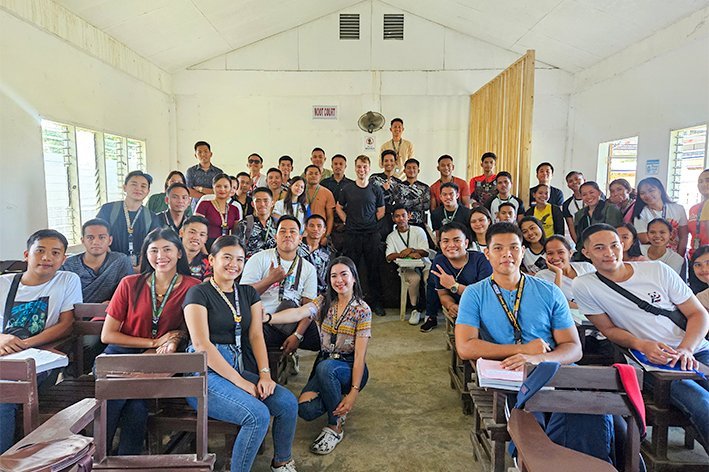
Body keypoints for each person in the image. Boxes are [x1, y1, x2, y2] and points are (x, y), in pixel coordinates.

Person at [573, 224, 709, 453]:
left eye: (614, 245)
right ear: (586, 253)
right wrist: (641, 344)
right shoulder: (585, 286)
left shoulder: (658, 270)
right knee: (702, 403)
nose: (609, 252)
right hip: (650, 362)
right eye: (599, 248)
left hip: (696, 349)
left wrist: (686, 348)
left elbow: (699, 314)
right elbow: (608, 329)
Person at [183, 236, 300, 472]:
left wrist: (265, 375)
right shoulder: (198, 294)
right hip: (203, 374)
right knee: (257, 416)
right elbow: (202, 344)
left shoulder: (247, 294)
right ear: (212, 260)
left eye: (239, 259)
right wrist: (241, 382)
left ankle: (282, 462)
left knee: (287, 402)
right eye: (226, 257)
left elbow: (256, 335)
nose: (233, 264)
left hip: (236, 366)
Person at [99, 228, 199, 455]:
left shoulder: (193, 286)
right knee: (131, 403)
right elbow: (108, 335)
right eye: (153, 250)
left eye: (167, 249)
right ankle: (112, 459)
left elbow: (190, 331)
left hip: (161, 361)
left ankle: (97, 458)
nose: (160, 256)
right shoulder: (129, 283)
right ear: (146, 254)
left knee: (124, 399)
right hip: (119, 356)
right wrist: (154, 342)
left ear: (179, 253)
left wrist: (175, 338)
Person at [275, 257, 371, 455]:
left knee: (326, 368)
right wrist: (268, 317)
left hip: (348, 365)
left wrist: (353, 393)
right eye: (333, 276)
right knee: (305, 410)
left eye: (344, 274)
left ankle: (334, 426)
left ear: (354, 278)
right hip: (325, 362)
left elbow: (360, 355)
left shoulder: (362, 310)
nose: (339, 280)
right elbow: (299, 312)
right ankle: (336, 401)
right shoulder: (323, 301)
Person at [455, 222, 582, 369]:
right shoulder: (474, 294)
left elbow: (573, 348)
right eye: (498, 248)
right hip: (504, 370)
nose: (507, 253)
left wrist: (539, 359)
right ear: (487, 254)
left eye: (514, 247)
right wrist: (523, 350)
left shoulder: (550, 291)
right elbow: (465, 348)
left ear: (522, 251)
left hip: (551, 367)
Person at [0, 230, 82, 454]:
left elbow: (66, 324)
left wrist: (27, 344)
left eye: (55, 253)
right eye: (40, 251)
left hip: (39, 359)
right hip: (4, 354)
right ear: (27, 254)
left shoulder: (67, 280)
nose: (47, 258)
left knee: (4, 397)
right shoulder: (4, 284)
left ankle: (6, 461)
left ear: (63, 259)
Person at [241, 216, 320, 354]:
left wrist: (297, 335)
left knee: (319, 337)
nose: (288, 235)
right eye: (282, 231)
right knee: (249, 334)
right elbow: (243, 295)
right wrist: (269, 280)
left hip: (293, 322)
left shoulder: (308, 268)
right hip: (263, 321)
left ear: (300, 238)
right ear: (275, 236)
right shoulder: (259, 258)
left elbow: (309, 308)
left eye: (293, 231)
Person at [336, 155, 386, 316]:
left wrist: (368, 222)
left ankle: (377, 303)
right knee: (350, 270)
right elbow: (338, 207)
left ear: (369, 168)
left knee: (374, 269)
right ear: (355, 168)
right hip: (352, 234)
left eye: (364, 166)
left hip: (371, 234)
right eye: (359, 166)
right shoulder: (348, 189)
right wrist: (348, 221)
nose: (361, 169)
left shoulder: (375, 189)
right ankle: (350, 302)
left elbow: (381, 211)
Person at [421, 223, 493, 333]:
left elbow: (484, 297)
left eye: (457, 240)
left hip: (484, 311)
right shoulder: (439, 262)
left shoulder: (481, 260)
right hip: (460, 312)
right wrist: (451, 305)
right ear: (440, 244)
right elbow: (443, 294)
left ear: (466, 243)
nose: (451, 245)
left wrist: (454, 286)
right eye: (445, 241)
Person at [96, 170, 160, 268]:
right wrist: (114, 262)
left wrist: (141, 266)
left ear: (148, 191)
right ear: (124, 187)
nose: (138, 189)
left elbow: (153, 243)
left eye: (143, 186)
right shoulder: (108, 210)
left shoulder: (152, 217)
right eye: (134, 184)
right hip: (108, 265)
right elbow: (98, 235)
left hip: (140, 268)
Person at [61, 219, 133, 303]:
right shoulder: (69, 264)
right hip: (74, 313)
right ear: (83, 241)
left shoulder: (120, 261)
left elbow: (129, 292)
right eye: (90, 238)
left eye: (102, 237)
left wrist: (113, 304)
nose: (96, 242)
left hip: (112, 312)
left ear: (110, 240)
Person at [385, 205, 430, 325]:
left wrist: (413, 250)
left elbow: (426, 252)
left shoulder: (418, 231)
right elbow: (389, 256)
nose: (401, 219)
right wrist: (400, 254)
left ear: (409, 216)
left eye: (403, 215)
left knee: (428, 279)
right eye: (397, 216)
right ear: (393, 219)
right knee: (414, 278)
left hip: (424, 264)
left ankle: (430, 311)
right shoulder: (392, 236)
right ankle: (415, 309)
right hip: (406, 267)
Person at [633, 177, 688, 256]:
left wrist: (679, 256)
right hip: (652, 256)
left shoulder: (678, 209)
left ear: (660, 190)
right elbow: (644, 239)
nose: (647, 195)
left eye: (651, 190)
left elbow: (684, 236)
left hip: (675, 254)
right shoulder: (640, 213)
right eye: (642, 193)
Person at [537, 236, 595, 308]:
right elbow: (554, 303)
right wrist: (558, 273)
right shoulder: (541, 277)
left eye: (560, 252)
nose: (555, 257)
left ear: (570, 253)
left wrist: (570, 304)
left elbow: (600, 296)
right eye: (550, 253)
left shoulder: (586, 268)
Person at [573, 181, 623, 253]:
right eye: (584, 194)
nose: (588, 196)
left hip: (607, 250)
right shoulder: (579, 214)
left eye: (591, 192)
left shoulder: (611, 209)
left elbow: (614, 233)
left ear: (599, 192)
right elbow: (579, 237)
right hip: (586, 252)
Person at [195, 173, 241, 250]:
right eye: (218, 186)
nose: (222, 189)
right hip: (206, 246)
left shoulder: (235, 209)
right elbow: (197, 231)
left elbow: (235, 235)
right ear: (213, 187)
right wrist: (204, 252)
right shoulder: (204, 205)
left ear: (230, 188)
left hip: (226, 248)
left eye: (226, 187)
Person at [321, 154, 353, 253]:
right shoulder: (324, 184)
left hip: (346, 225)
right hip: (328, 225)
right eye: (335, 164)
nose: (338, 166)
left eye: (341, 164)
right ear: (331, 166)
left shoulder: (351, 185)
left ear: (345, 166)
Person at [235, 187, 278, 260]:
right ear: (252, 204)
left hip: (273, 266)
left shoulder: (278, 224)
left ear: (272, 203)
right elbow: (237, 249)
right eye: (258, 201)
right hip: (251, 266)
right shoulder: (244, 224)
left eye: (266, 200)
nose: (262, 204)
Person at [298, 214, 335, 296]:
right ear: (306, 228)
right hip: (296, 292)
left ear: (324, 230)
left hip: (317, 295)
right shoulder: (296, 246)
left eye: (319, 226)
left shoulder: (327, 254)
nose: (315, 229)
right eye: (311, 226)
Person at [369, 150, 403, 241]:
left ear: (395, 162)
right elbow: (369, 196)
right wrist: (382, 189)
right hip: (374, 215)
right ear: (382, 163)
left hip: (390, 217)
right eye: (386, 161)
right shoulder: (374, 178)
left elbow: (399, 202)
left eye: (391, 160)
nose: (389, 163)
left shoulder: (398, 182)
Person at [303, 165, 336, 243]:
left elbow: (330, 217)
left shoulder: (327, 193)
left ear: (320, 176)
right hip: (301, 233)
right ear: (305, 176)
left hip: (319, 234)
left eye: (316, 173)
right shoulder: (299, 191)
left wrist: (327, 236)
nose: (313, 176)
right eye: (310, 173)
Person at [398, 158, 431, 232]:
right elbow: (400, 204)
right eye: (408, 168)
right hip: (403, 223)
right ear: (404, 171)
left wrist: (408, 203)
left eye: (414, 168)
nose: (411, 170)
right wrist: (419, 200)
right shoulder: (399, 187)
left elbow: (426, 206)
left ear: (418, 170)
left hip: (420, 223)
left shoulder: (425, 187)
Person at [180, 215, 211, 280]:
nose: (196, 237)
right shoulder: (170, 258)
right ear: (181, 233)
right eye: (192, 232)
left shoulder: (209, 262)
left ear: (206, 239)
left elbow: (207, 287)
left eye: (202, 235)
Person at [688, 169, 709, 258]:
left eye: (708, 180)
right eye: (700, 181)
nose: (704, 184)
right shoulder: (694, 209)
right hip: (695, 256)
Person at [562, 171, 585, 242]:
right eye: (570, 181)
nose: (574, 182)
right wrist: (577, 243)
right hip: (580, 236)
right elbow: (571, 227)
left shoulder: (594, 198)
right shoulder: (566, 204)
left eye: (577, 179)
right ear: (568, 185)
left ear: (584, 180)